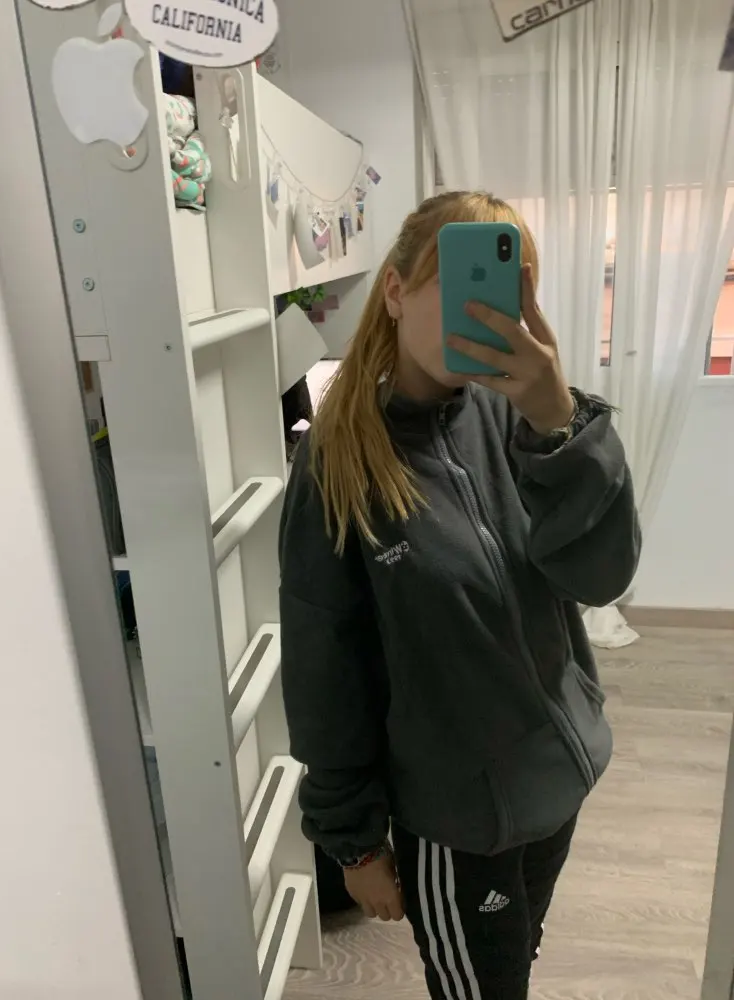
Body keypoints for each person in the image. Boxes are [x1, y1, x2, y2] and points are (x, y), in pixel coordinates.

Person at [279, 191, 641, 1000]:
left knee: (512, 963)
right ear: (396, 290)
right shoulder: (337, 460)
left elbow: (601, 579)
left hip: (557, 784)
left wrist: (560, 425)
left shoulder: (524, 419)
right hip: (457, 824)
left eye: (504, 289)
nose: (481, 309)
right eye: (458, 284)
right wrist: (353, 841)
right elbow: (322, 665)